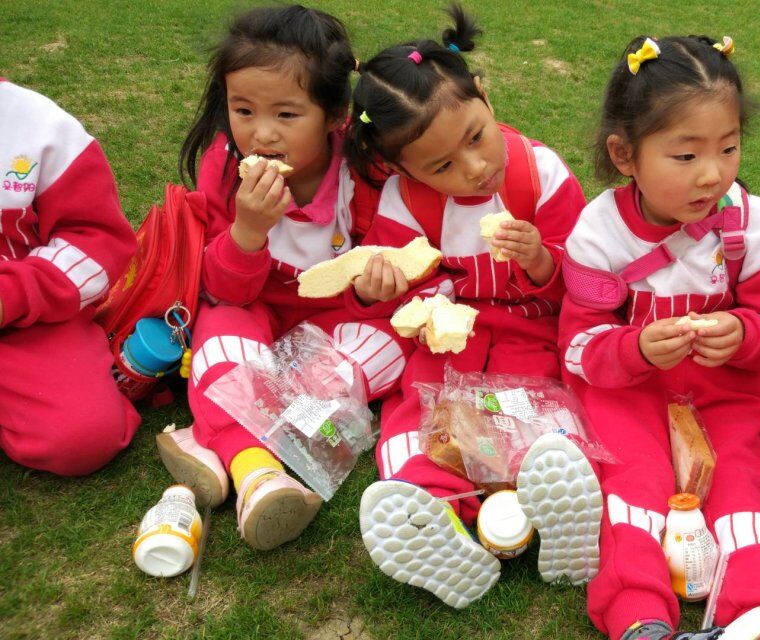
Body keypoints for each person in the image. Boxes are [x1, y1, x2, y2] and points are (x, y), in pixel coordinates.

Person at [346, 6, 598, 609]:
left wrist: (541, 260)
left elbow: (589, 281)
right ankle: (428, 511)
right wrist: (385, 290)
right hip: (450, 340)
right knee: (420, 407)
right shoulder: (404, 201)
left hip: (531, 329)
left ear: (484, 95)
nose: (475, 167)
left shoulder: (539, 173)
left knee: (533, 404)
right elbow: (403, 282)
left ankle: (543, 499)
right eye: (442, 166)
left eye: (477, 137)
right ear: (401, 168)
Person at [559, 35, 760, 640]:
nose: (712, 173)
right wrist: (635, 348)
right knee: (632, 484)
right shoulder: (598, 233)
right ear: (625, 154)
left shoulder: (758, 228)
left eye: (729, 148)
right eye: (686, 155)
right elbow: (580, 348)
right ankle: (638, 614)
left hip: (729, 396)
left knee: (746, 484)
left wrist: (742, 334)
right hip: (631, 396)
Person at [158, 5, 409, 551]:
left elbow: (385, 281)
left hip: (339, 320)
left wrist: (375, 292)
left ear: (335, 114)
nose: (262, 133)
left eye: (287, 115)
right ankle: (257, 474)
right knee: (221, 334)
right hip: (257, 308)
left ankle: (215, 438)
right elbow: (225, 290)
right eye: (243, 110)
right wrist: (247, 231)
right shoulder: (225, 168)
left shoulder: (367, 173)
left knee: (390, 348)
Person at [0, 79, 140, 475]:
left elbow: (97, 242)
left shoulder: (40, 127)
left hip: (27, 321)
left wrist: (11, 296)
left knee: (83, 435)